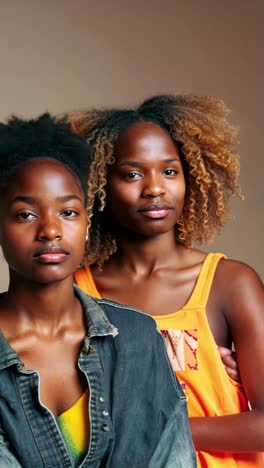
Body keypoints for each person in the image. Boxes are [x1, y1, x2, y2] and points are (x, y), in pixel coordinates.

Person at [65, 94, 264, 467]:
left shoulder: (229, 283)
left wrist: (159, 428)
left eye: (169, 171)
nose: (155, 188)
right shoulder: (73, 291)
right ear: (98, 186)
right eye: (132, 174)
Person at [0, 114, 196, 468]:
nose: (50, 230)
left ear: (87, 224)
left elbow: (173, 459)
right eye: (26, 214)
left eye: (69, 212)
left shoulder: (137, 338)